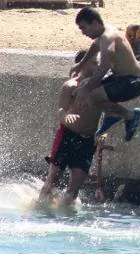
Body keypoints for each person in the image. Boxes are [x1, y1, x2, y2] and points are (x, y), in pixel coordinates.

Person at [38, 51, 105, 210]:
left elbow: (108, 112)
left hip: (87, 140)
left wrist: (103, 131)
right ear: (84, 64)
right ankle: (39, 210)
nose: (99, 67)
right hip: (67, 135)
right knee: (54, 179)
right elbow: (61, 110)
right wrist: (65, 116)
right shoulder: (70, 86)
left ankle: (64, 218)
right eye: (95, 63)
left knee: (75, 186)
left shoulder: (102, 88)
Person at [71, 7, 140, 141]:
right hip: (120, 79)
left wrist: (86, 90)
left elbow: (104, 66)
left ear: (94, 23)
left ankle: (130, 115)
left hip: (132, 83)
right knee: (90, 95)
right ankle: (113, 116)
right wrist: (80, 64)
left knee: (90, 95)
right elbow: (95, 46)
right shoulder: (103, 34)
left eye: (83, 28)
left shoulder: (108, 37)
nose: (83, 32)